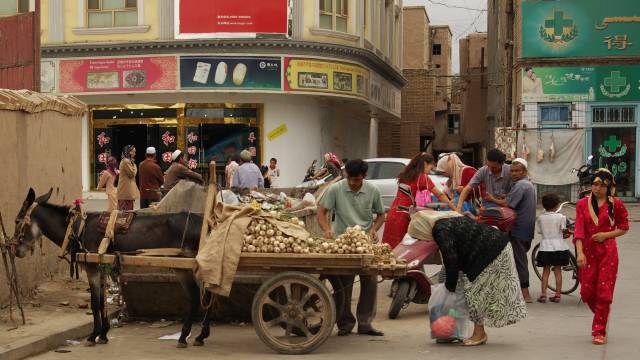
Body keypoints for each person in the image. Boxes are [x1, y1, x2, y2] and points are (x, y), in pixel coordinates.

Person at [415, 211, 527, 345]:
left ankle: (479, 334)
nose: (425, 240)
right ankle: (479, 333)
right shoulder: (445, 222)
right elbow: (458, 251)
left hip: (491, 251)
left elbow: (451, 259)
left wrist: (449, 286)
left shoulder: (440, 231)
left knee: (475, 292)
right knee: (474, 291)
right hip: (496, 246)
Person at [317, 159, 385, 337]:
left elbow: (380, 215)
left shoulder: (373, 190)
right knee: (344, 283)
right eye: (350, 179)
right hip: (343, 242)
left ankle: (365, 323)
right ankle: (345, 323)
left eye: (357, 179)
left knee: (369, 280)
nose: (353, 182)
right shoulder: (336, 188)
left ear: (364, 176)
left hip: (365, 243)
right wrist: (326, 229)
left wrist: (373, 229)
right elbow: (321, 211)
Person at [573, 169, 629, 345]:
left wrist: (606, 235)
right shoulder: (582, 204)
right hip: (588, 253)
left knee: (604, 294)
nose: (597, 188)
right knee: (586, 292)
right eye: (595, 184)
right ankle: (601, 311)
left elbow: (624, 226)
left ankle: (599, 329)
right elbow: (579, 230)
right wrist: (580, 252)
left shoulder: (616, 204)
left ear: (609, 187)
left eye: (601, 185)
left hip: (608, 253)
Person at [382, 153, 456, 249]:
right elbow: (440, 195)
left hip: (394, 211)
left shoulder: (406, 174)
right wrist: (454, 208)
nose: (429, 170)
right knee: (402, 249)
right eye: (430, 167)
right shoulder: (422, 177)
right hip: (404, 214)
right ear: (425, 164)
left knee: (389, 248)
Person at [487, 158, 537, 303]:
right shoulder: (527, 184)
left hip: (518, 228)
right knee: (515, 258)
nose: (514, 174)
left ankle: (525, 293)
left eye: (517, 171)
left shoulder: (521, 185)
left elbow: (509, 204)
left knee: (519, 260)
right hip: (526, 228)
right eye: (512, 171)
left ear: (524, 172)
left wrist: (492, 199)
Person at [535, 193, 571, 303]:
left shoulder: (540, 218)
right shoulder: (561, 217)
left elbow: (540, 232)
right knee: (558, 270)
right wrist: (566, 234)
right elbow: (564, 231)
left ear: (543, 205)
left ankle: (543, 295)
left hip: (545, 247)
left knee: (545, 271)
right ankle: (558, 295)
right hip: (559, 247)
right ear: (557, 205)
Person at [116, 145, 139, 211]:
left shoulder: (128, 161)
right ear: (129, 152)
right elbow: (132, 174)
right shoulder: (126, 161)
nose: (135, 153)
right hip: (126, 191)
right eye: (133, 152)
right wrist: (134, 165)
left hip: (127, 191)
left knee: (127, 212)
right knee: (125, 213)